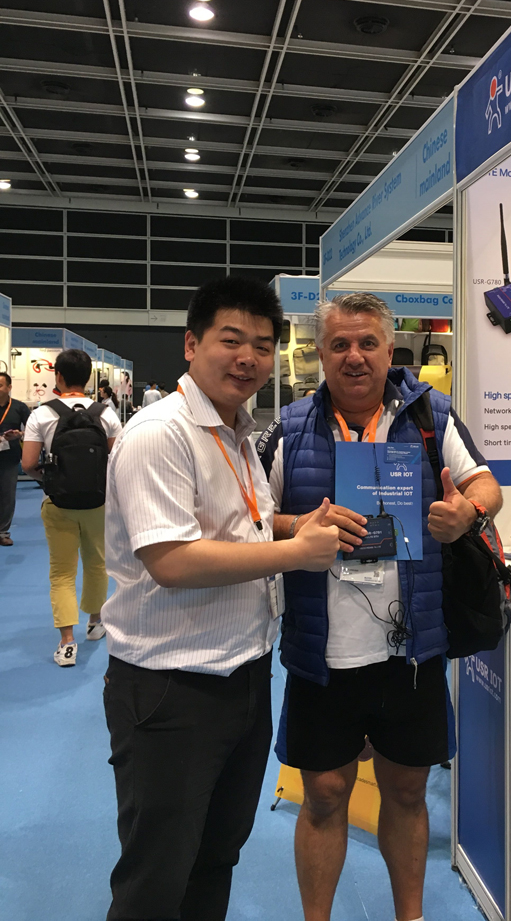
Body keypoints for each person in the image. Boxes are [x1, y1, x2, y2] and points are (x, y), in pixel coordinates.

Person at [257, 292, 502, 921]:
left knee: (408, 789)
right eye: (339, 344)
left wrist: (467, 513)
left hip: (411, 648)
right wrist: (297, 526)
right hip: (323, 652)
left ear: (390, 350)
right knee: (323, 794)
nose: (355, 356)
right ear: (320, 354)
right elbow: (252, 517)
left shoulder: (431, 416)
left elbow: (485, 484)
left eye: (368, 343)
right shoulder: (291, 428)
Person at [100, 276, 339, 921]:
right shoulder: (160, 434)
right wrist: (296, 553)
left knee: (216, 855)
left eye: (262, 345)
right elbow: (172, 561)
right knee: (157, 873)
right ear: (190, 344)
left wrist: (294, 525)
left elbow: (239, 526)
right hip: (170, 687)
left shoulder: (236, 431)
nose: (248, 358)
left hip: (244, 676)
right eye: (231, 340)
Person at [21, 349, 122, 665]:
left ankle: (66, 642)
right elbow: (118, 461)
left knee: (62, 572)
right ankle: (95, 622)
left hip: (58, 503)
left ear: (58, 376)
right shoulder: (106, 414)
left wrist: (50, 480)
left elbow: (28, 464)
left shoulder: (42, 415)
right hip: (98, 503)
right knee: (97, 564)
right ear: (89, 378)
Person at [0, 371, 30, 547]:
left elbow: (33, 429)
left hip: (9, 458)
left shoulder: (19, 407)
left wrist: (20, 434)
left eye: (0, 385)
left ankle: (3, 532)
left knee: (7, 496)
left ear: (9, 387)